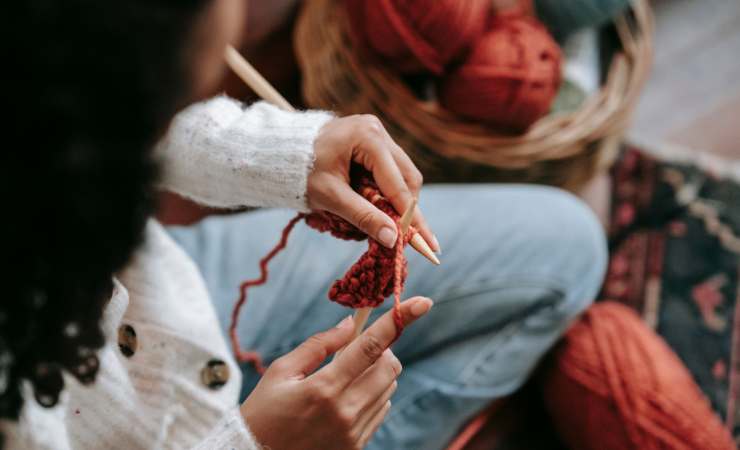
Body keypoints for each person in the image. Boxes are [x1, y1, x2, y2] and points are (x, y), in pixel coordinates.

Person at [2, 0, 607, 449]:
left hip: (161, 307)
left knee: (568, 247)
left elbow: (107, 106)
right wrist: (253, 443)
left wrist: (290, 153)